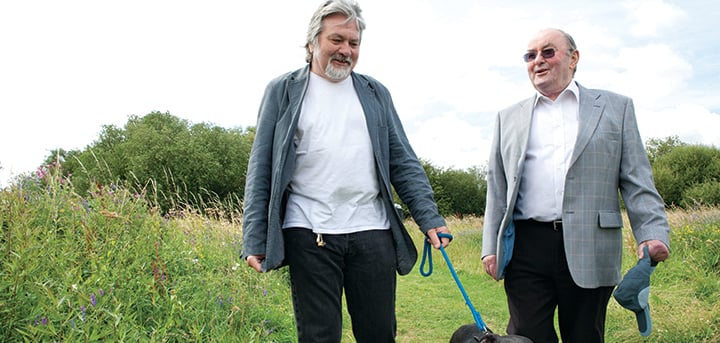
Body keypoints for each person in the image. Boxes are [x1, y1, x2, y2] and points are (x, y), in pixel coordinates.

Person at [241, 1, 450, 342]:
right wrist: (254, 235)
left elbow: (402, 159)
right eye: (336, 40)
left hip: (372, 229)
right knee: (319, 335)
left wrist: (428, 216)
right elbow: (261, 165)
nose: (346, 50)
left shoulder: (374, 92)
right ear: (312, 43)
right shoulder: (283, 90)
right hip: (309, 230)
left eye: (354, 43)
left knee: (379, 333)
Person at [480, 28, 671, 343]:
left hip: (591, 244)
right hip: (526, 246)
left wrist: (651, 234)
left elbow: (638, 181)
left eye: (548, 52)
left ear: (574, 58)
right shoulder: (508, 117)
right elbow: (497, 187)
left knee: (584, 335)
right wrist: (491, 246)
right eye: (531, 56)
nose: (537, 61)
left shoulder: (616, 108)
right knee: (526, 336)